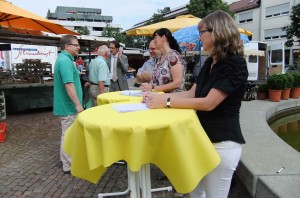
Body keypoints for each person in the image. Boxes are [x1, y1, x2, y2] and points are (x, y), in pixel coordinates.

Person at [143, 10, 248, 198]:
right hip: (201, 139)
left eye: (201, 32)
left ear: (217, 32)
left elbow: (208, 103)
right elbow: (191, 93)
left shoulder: (235, 63)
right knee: (195, 193)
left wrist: (166, 101)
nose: (199, 37)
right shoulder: (210, 63)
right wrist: (156, 96)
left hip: (221, 144)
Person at [53, 35, 84, 173]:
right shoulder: (65, 61)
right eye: (76, 45)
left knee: (67, 134)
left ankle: (66, 161)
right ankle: (68, 165)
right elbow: (69, 84)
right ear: (67, 46)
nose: (78, 47)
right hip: (68, 106)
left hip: (67, 106)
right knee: (68, 134)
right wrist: (78, 105)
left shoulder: (64, 59)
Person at [140, 28, 186, 93]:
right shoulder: (159, 58)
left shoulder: (173, 57)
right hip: (159, 98)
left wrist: (153, 88)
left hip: (172, 100)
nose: (154, 41)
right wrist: (147, 86)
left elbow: (177, 83)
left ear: (163, 38)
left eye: (155, 37)